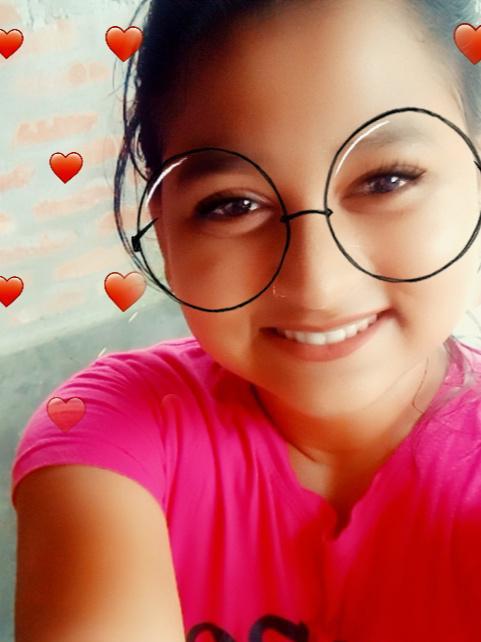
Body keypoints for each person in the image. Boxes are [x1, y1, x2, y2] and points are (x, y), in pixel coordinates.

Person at [11, 0, 481, 640]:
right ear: (165, 231)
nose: (318, 284)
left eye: (387, 180)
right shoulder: (113, 432)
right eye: (232, 204)